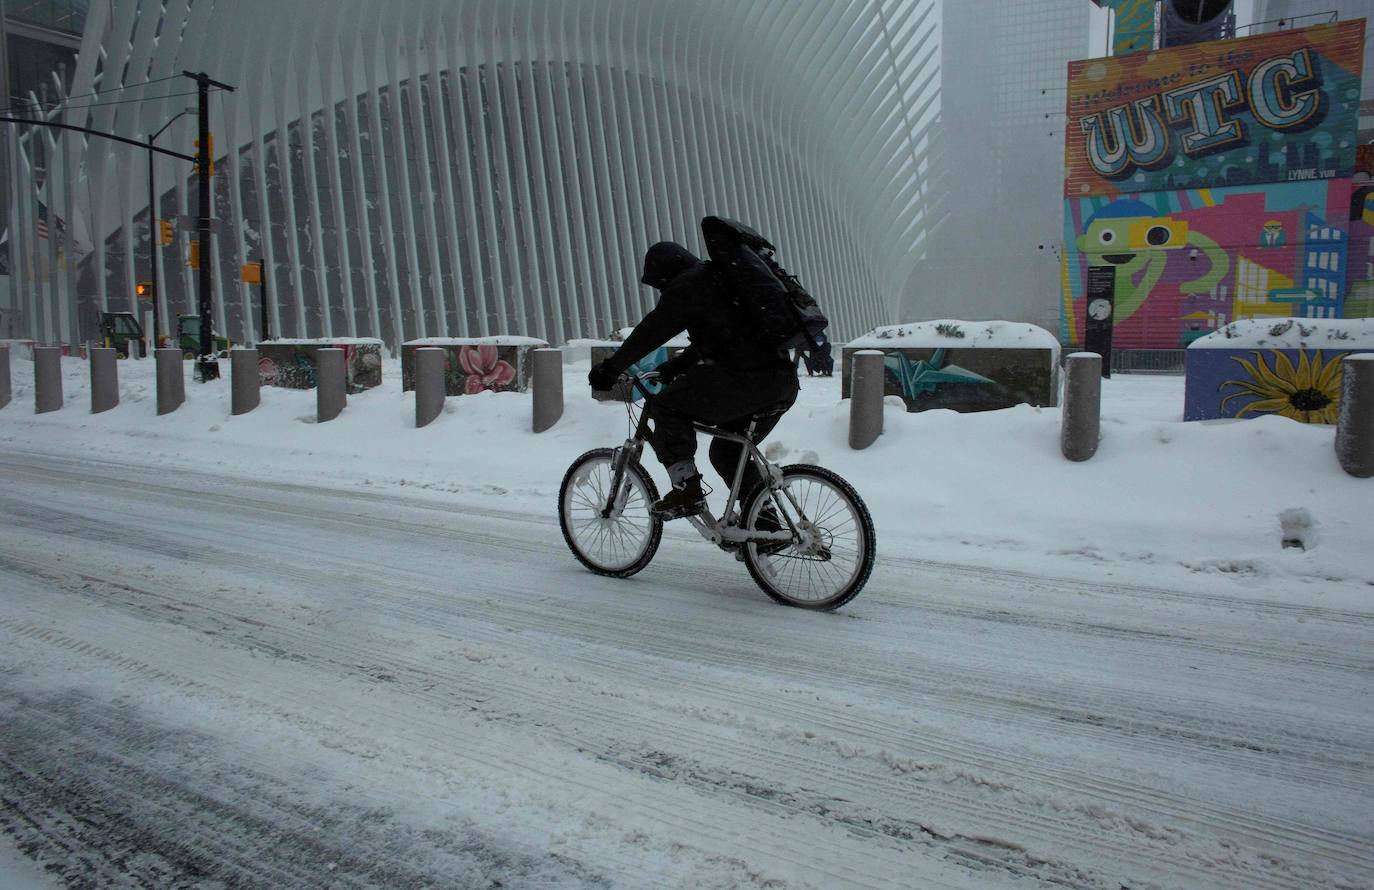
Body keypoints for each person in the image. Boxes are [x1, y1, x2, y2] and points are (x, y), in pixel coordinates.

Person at [588, 240, 799, 519]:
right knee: (727, 452)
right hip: (781, 382)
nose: (662, 291)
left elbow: (652, 330)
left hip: (745, 380)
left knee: (665, 406)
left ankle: (687, 491)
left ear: (667, 273)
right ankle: (765, 523)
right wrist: (676, 366)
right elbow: (722, 337)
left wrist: (611, 369)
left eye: (660, 285)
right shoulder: (722, 282)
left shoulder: (689, 284)